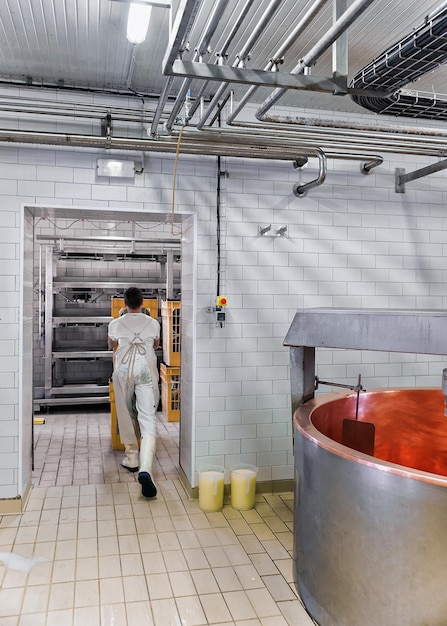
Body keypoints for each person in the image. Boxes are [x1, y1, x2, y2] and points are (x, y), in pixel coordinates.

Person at [108, 287, 160, 498]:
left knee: (126, 412)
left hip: (123, 371)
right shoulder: (154, 323)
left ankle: (132, 458)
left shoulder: (115, 323)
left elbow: (111, 344)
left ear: (124, 304)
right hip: (146, 369)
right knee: (148, 419)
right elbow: (155, 346)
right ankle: (145, 469)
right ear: (143, 303)